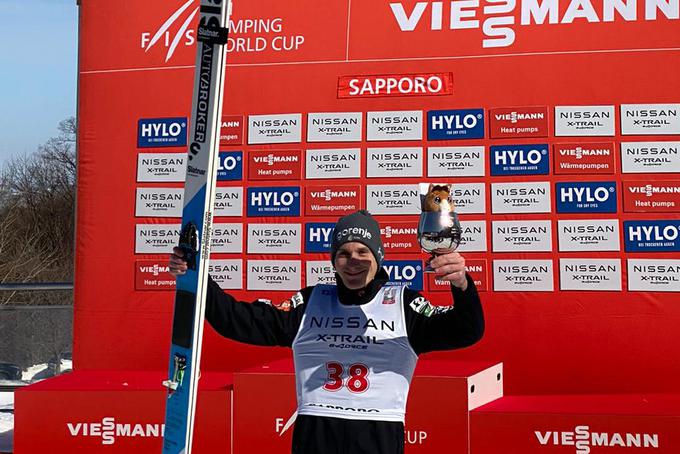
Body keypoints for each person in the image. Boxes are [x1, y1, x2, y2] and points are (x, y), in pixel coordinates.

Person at [169, 210, 484, 454]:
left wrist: (462, 285)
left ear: (378, 257)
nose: (353, 262)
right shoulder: (311, 302)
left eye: (363, 252)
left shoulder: (403, 303)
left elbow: (467, 331)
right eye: (343, 253)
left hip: (377, 435)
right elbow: (238, 321)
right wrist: (197, 278)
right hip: (316, 433)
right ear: (334, 260)